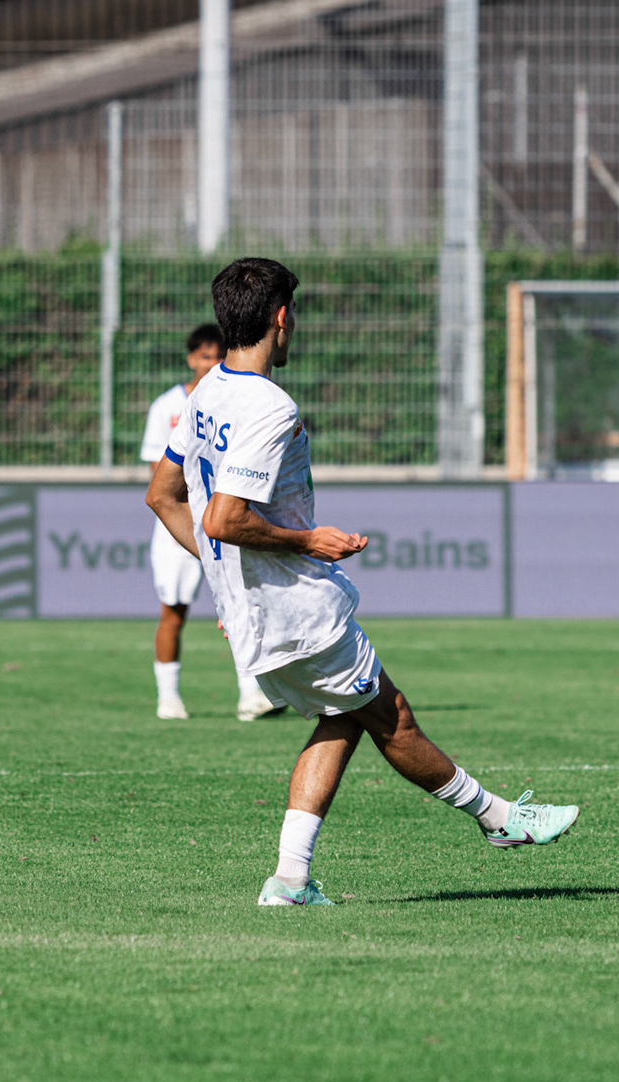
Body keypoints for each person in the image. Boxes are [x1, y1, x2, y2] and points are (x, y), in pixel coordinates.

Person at [146, 258, 581, 906]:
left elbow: (162, 495)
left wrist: (223, 582)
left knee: (343, 716)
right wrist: (307, 541)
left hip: (253, 614)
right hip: (297, 612)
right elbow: (224, 516)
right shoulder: (269, 408)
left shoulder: (203, 392)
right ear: (282, 320)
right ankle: (498, 818)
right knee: (390, 717)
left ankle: (291, 879)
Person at [139, 324, 278, 722]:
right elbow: (160, 476)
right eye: (204, 356)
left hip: (226, 517)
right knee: (174, 608)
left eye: (218, 355)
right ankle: (168, 697)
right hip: (181, 520)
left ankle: (252, 693)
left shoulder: (234, 401)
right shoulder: (168, 406)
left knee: (242, 604)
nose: (211, 363)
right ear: (190, 359)